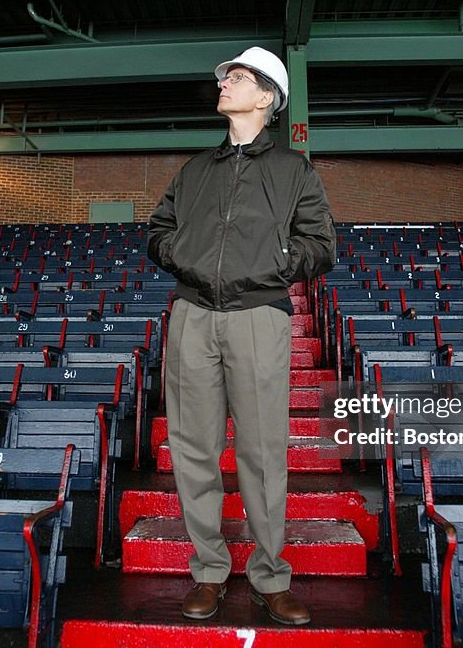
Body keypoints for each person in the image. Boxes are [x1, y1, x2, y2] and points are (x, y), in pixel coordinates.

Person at [147, 46, 335, 626]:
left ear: (266, 98)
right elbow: (158, 231)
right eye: (227, 76)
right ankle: (208, 570)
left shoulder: (294, 171)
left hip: (259, 317)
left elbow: (321, 246)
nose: (225, 83)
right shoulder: (194, 169)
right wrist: (185, 255)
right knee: (195, 449)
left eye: (238, 77)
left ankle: (270, 576)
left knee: (261, 452)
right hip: (193, 315)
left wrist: (271, 261)